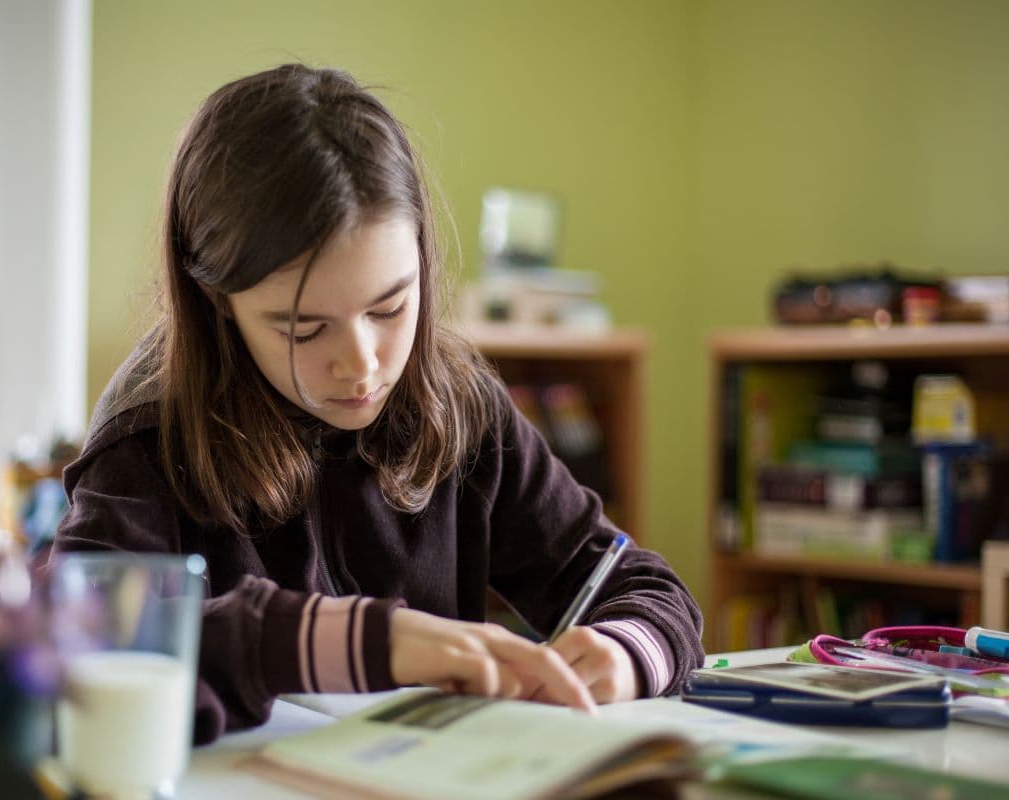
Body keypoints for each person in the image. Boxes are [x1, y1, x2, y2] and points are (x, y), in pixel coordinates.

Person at [52, 63, 704, 743]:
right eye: (304, 328)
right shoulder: (146, 437)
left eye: (391, 306)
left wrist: (626, 651)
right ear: (217, 302)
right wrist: (360, 643)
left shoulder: (461, 409)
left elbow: (640, 586)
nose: (361, 365)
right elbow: (68, 657)